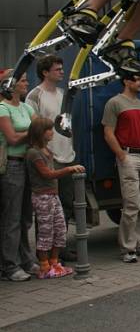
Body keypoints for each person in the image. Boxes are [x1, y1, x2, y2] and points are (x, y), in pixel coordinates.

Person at [25, 55, 78, 261]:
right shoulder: (34, 96)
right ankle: (44, 253)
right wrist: (44, 150)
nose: (62, 72)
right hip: (49, 156)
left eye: (61, 68)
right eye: (57, 69)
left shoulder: (64, 94)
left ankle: (60, 247)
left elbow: (67, 124)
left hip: (67, 154)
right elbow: (35, 128)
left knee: (65, 204)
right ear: (45, 72)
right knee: (46, 208)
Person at [102, 72, 140, 263]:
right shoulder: (115, 103)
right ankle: (127, 249)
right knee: (132, 204)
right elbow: (108, 132)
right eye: (137, 79)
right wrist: (121, 155)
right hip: (129, 157)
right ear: (126, 81)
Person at [25, 117, 86, 278]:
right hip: (42, 197)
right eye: (49, 129)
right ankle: (44, 267)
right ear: (40, 133)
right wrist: (69, 169)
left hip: (53, 196)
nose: (52, 132)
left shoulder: (48, 151)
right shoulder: (33, 153)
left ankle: (54, 262)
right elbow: (47, 174)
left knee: (59, 229)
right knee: (45, 232)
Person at [0, 71, 38, 281]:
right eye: (22, 81)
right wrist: (32, 132)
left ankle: (25, 259)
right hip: (12, 166)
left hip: (28, 164)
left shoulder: (26, 107)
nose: (26, 83)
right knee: (11, 218)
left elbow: (42, 130)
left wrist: (34, 132)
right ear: (10, 85)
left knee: (25, 217)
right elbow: (13, 138)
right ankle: (9, 265)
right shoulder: (2, 109)